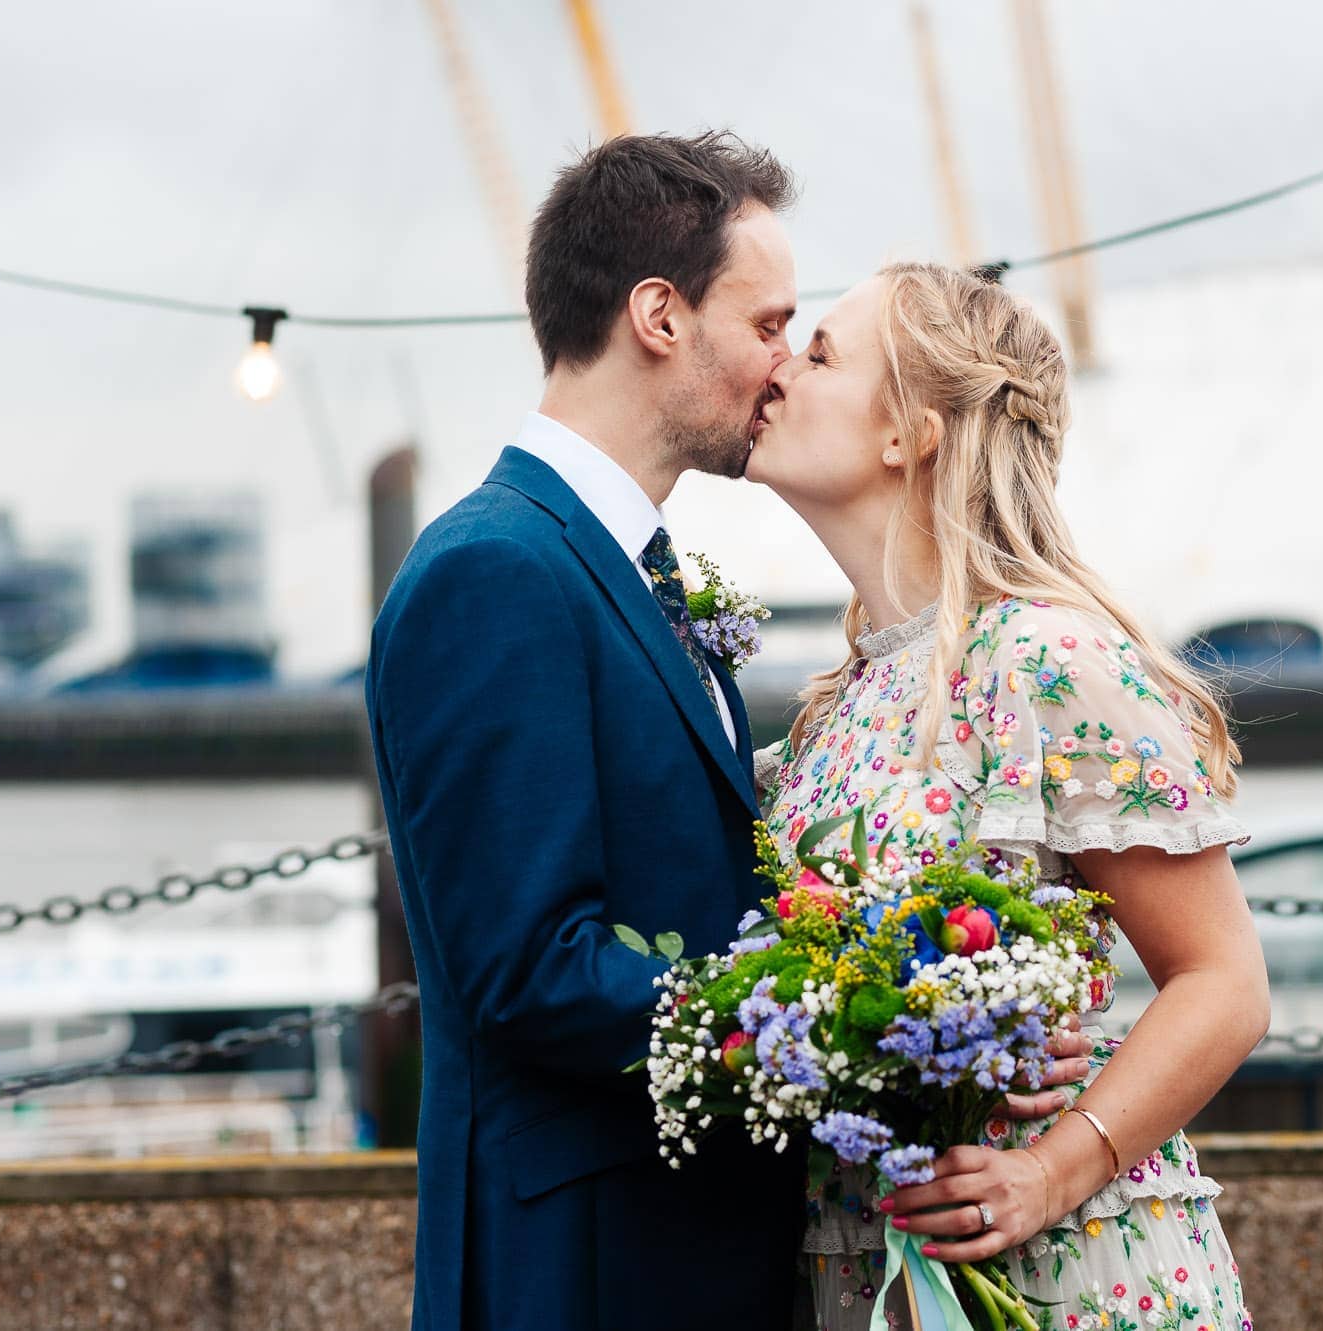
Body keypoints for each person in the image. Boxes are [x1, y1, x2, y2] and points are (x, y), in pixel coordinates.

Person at [366, 133, 1094, 1330]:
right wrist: (887, 1030)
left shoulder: (627, 569)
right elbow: (529, 970)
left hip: (691, 1253)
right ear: (660, 315)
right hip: (585, 1269)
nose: (779, 367)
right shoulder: (495, 571)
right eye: (767, 324)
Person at [749, 262, 1271, 1329]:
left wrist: (1052, 1169)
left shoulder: (1047, 658)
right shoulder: (828, 711)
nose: (776, 368)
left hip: (1063, 1272)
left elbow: (1222, 980)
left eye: (818, 354)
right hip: (863, 1268)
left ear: (910, 433)